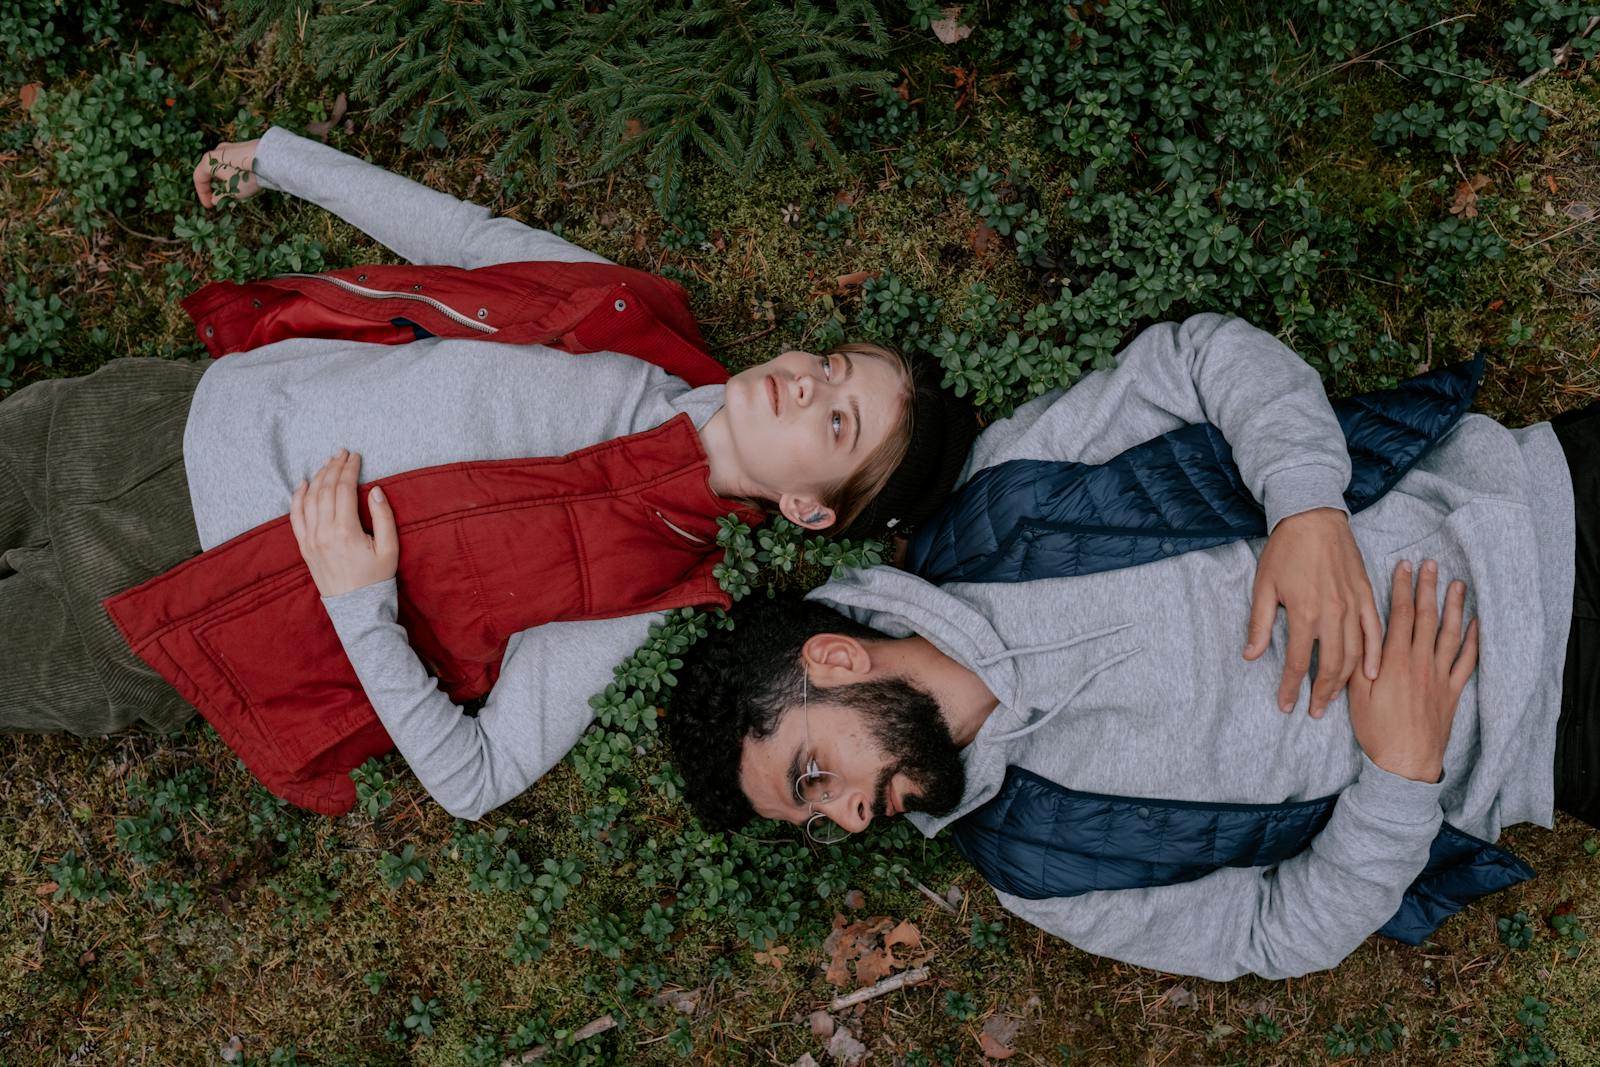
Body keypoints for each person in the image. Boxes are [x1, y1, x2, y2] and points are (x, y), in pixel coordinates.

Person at [0, 126, 977, 821]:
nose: (809, 382)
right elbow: (467, 242)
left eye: (838, 420)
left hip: (180, 597)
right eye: (836, 364)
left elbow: (476, 778)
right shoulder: (640, 323)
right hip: (149, 414)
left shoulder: (654, 589)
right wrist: (289, 161)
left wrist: (358, 600)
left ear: (807, 508)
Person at [664, 313, 1597, 980]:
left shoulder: (1009, 493)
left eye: (811, 777)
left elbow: (1201, 358)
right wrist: (1401, 776)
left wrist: (1307, 510)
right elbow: (1270, 937)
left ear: (834, 660)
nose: (853, 818)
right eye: (822, 821)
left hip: (1540, 514)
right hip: (1555, 739)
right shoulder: (1041, 875)